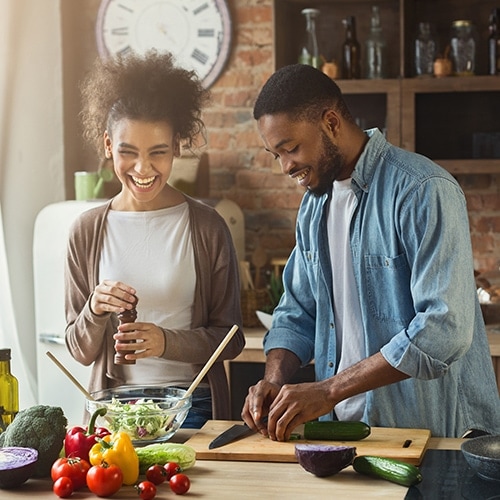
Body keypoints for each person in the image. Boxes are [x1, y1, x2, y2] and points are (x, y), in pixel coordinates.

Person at [242, 63, 500, 440]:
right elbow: (296, 312)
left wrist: (329, 390)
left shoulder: (422, 190)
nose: (285, 167)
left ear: (331, 122)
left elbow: (444, 329)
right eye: (274, 154)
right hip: (340, 431)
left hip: (429, 434)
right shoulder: (314, 206)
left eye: (291, 148)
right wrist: (274, 380)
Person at [64, 51, 244, 427]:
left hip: (191, 408)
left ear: (177, 146)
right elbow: (79, 350)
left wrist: (166, 342)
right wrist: (95, 310)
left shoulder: (208, 227)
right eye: (128, 152)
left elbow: (232, 338)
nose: (143, 169)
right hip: (113, 411)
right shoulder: (86, 231)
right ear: (108, 145)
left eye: (158, 153)